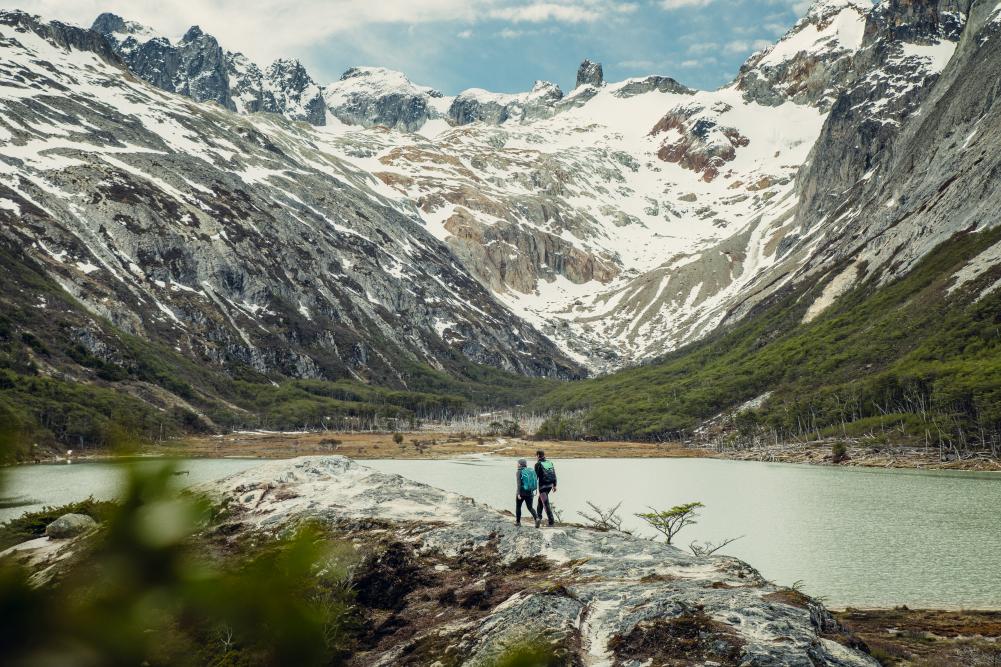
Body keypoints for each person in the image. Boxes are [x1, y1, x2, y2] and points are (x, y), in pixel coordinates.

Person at [534, 449, 557, 526]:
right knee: (540, 501)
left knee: (545, 504)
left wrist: (533, 487)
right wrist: (555, 485)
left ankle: (551, 522)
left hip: (543, 487)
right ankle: (538, 518)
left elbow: (535, 477)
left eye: (536, 455)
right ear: (544, 455)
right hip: (550, 485)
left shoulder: (538, 464)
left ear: (538, 455)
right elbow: (554, 474)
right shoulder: (550, 462)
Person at [515, 458, 540, 527]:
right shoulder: (530, 470)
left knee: (518, 507)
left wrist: (518, 493)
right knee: (530, 507)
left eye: (518, 463)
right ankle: (537, 518)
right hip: (530, 492)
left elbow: (519, 484)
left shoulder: (519, 471)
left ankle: (518, 522)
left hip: (522, 492)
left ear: (520, 464)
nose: (517, 464)